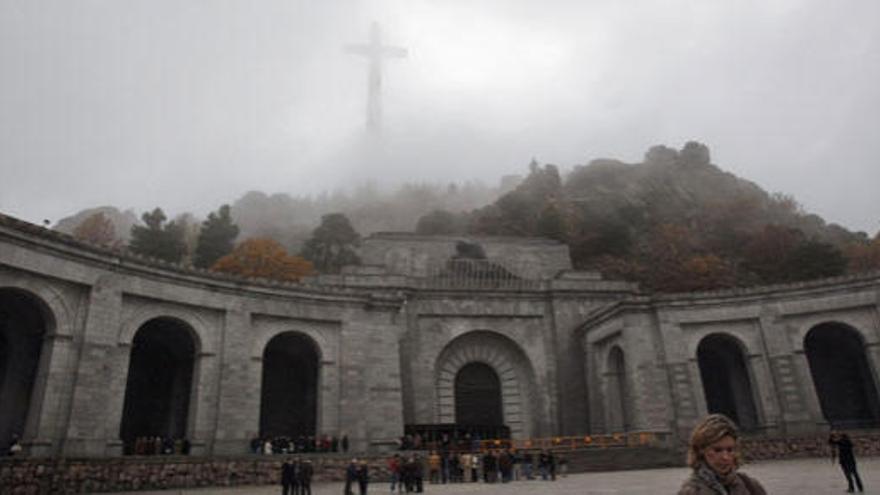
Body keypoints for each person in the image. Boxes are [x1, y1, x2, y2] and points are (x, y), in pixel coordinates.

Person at [678, 414, 766, 495]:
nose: (725, 457)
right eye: (717, 450)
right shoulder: (691, 492)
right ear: (701, 450)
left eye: (730, 450)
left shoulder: (750, 486)